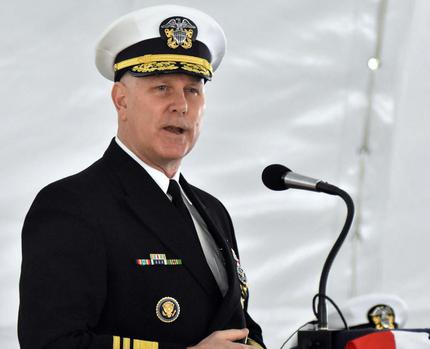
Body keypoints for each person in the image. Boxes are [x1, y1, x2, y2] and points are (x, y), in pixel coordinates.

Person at [18, 5, 265, 349]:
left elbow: (238, 327)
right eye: (162, 87)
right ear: (121, 101)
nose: (181, 105)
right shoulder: (71, 205)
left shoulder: (213, 211)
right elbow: (51, 343)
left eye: (193, 90)